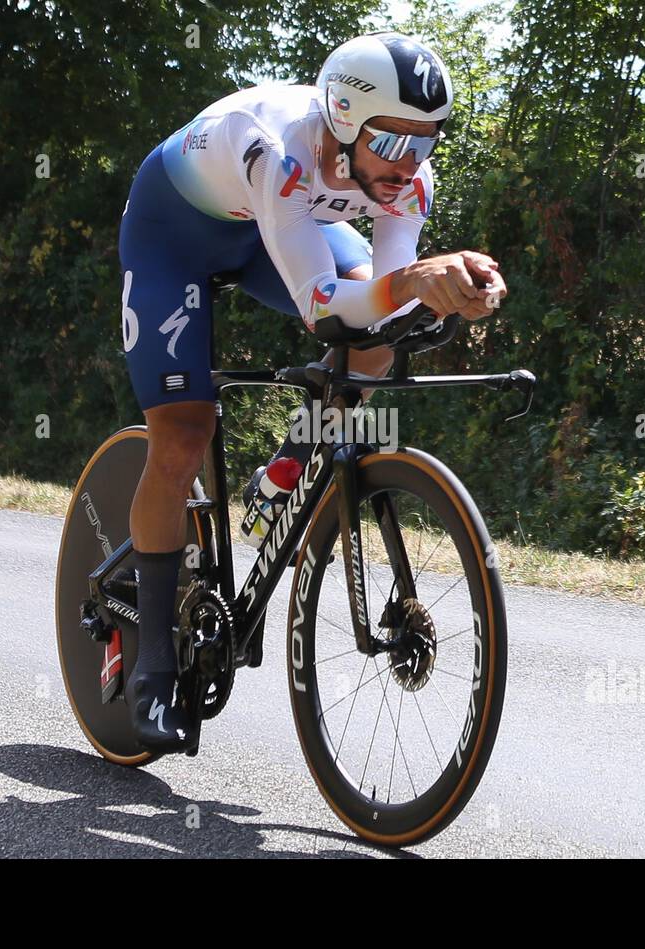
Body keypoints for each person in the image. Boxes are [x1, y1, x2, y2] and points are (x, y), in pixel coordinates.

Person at [115, 32, 507, 752]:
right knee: (182, 437)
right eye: (394, 142)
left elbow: (382, 309)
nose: (409, 166)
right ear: (345, 120)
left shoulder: (406, 178)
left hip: (275, 233)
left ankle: (283, 475)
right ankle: (150, 669)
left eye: (427, 144)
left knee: (380, 340)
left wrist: (453, 290)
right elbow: (324, 308)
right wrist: (416, 282)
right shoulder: (280, 146)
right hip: (173, 233)